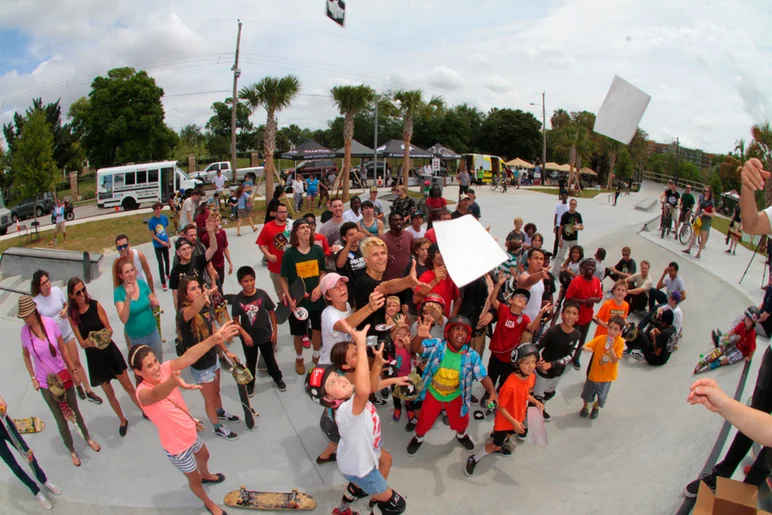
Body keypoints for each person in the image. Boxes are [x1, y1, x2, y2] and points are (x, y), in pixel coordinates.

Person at [129, 321, 239, 515]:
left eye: (155, 361)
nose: (156, 367)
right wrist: (172, 382)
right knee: (194, 480)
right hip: (176, 446)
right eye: (149, 366)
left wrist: (213, 339)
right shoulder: (142, 392)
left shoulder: (164, 369)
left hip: (190, 430)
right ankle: (209, 503)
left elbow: (188, 356)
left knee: (204, 455)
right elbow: (156, 395)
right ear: (139, 372)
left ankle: (206, 474)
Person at [305, 321, 408, 515]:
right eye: (332, 383)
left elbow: (368, 387)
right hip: (364, 468)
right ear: (328, 398)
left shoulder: (347, 396)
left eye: (336, 375)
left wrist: (391, 377)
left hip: (358, 456)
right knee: (395, 506)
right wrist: (361, 346)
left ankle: (343, 507)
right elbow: (364, 390)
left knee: (384, 462)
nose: (340, 379)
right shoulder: (348, 410)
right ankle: (374, 502)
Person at [18, 295, 101, 467]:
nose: (26, 319)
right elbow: (26, 355)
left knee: (75, 411)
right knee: (60, 419)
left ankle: (87, 437)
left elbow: (63, 348)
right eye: (23, 316)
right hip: (45, 383)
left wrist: (74, 370)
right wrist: (33, 377)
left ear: (34, 311)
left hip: (62, 376)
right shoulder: (25, 333)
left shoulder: (49, 323)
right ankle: (71, 449)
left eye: (28, 315)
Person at [406, 316, 498, 457]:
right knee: (424, 420)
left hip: (455, 395)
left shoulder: (471, 355)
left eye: (464, 331)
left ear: (468, 337)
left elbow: (483, 376)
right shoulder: (437, 345)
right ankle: (418, 438)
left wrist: (492, 392)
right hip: (433, 392)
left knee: (461, 420)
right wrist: (419, 337)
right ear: (447, 333)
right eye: (456, 329)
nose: (460, 333)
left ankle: (461, 436)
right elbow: (417, 348)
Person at [68, 277, 141, 436]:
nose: (82, 294)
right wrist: (90, 342)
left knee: (128, 386)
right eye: (78, 292)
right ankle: (122, 419)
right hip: (95, 358)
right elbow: (81, 343)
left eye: (83, 290)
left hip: (109, 351)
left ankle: (144, 409)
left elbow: (109, 329)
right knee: (109, 393)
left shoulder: (95, 306)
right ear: (72, 295)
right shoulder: (72, 316)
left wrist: (101, 337)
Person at [177, 276, 240, 441]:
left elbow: (214, 332)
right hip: (201, 365)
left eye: (198, 287)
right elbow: (193, 310)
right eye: (193, 289)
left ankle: (220, 412)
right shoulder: (184, 314)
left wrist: (226, 351)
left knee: (216, 392)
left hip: (213, 359)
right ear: (184, 295)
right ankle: (217, 427)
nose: (198, 290)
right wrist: (204, 296)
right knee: (209, 399)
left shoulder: (205, 308)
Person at [464, 344, 542, 475]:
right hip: (506, 421)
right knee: (495, 445)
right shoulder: (509, 385)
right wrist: (514, 422)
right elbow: (501, 407)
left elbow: (525, 394)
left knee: (510, 434)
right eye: (527, 363)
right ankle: (474, 458)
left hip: (518, 416)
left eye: (534, 362)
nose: (531, 366)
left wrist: (535, 401)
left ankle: (498, 438)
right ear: (518, 364)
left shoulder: (532, 377)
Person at [32, 270, 101, 404]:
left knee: (76, 361)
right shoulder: (37, 302)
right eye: (43, 283)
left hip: (66, 331)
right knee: (68, 364)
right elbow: (39, 322)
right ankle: (77, 385)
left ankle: (88, 389)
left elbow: (66, 303)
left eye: (47, 281)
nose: (47, 285)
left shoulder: (57, 291)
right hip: (53, 338)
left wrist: (65, 310)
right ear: (38, 287)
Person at [486, 278, 551, 394]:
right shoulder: (503, 309)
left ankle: (499, 396)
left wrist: (540, 314)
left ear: (525, 306)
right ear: (510, 300)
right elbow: (493, 299)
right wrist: (499, 284)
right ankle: (488, 394)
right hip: (496, 354)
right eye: (519, 295)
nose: (522, 298)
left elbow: (532, 328)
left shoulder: (524, 319)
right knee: (491, 376)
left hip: (510, 358)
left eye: (525, 299)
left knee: (504, 381)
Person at [280, 219, 327, 375]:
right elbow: (283, 279)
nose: (307, 230)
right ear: (296, 232)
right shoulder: (289, 254)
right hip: (298, 302)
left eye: (308, 227)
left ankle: (316, 354)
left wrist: (320, 287)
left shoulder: (318, 250)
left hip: (316, 299)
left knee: (317, 330)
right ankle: (299, 358)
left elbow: (322, 272)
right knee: (299, 333)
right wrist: (289, 299)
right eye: (302, 227)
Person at [0, 394, 62, 509]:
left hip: (3, 422)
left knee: (27, 453)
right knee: (14, 466)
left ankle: (44, 480)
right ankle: (36, 491)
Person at [230, 266, 284, 396]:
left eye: (251, 280)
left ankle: (278, 378)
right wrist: (245, 335)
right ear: (240, 283)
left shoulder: (262, 294)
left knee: (270, 360)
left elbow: (271, 311)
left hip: (265, 335)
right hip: (249, 340)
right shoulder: (237, 300)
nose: (249, 283)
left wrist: (274, 331)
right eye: (245, 281)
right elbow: (236, 321)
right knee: (251, 362)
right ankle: (250, 384)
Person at [534, 301, 581, 421]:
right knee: (537, 397)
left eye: (574, 313)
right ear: (562, 314)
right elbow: (536, 347)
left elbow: (570, 356)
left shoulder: (576, 335)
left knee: (549, 393)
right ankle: (527, 423)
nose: (570, 316)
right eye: (568, 312)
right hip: (542, 372)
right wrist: (539, 360)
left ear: (578, 317)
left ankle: (541, 407)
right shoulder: (552, 331)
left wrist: (552, 364)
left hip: (558, 373)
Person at [114, 255, 163, 365]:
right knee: (145, 367)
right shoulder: (118, 292)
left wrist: (154, 304)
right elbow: (124, 319)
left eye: (132, 270)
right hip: (137, 338)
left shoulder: (142, 283)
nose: (131, 274)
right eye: (127, 272)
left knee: (158, 362)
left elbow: (152, 303)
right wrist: (127, 298)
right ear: (121, 275)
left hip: (152, 331)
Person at [579, 315, 625, 419]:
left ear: (620, 332)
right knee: (586, 394)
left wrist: (612, 347)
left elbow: (614, 360)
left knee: (601, 397)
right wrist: (586, 348)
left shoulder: (620, 342)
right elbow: (585, 345)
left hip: (606, 378)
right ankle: (585, 407)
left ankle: (595, 407)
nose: (612, 331)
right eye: (610, 328)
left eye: (616, 329)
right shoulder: (600, 339)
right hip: (594, 375)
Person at [565, 258, 603, 370]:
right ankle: (566, 356)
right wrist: (584, 301)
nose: (590, 268)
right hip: (574, 318)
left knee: (582, 340)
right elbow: (569, 298)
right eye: (588, 265)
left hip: (587, 318)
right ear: (582, 268)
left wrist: (592, 300)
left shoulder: (597, 282)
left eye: (592, 266)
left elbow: (600, 298)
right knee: (570, 339)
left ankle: (576, 358)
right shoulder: (576, 281)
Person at [170, 224, 219, 309]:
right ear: (178, 253)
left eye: (188, 248)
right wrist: (179, 314)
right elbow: (175, 295)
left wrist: (211, 232)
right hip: (188, 307)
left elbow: (213, 248)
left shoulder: (198, 261)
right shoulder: (175, 271)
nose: (187, 251)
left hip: (203, 303)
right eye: (183, 249)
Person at [701, 306, 759, 372]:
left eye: (750, 321)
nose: (747, 321)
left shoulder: (752, 334)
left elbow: (753, 349)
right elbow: (735, 330)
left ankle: (719, 363)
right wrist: (728, 336)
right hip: (738, 344)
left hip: (743, 352)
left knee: (731, 358)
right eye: (746, 318)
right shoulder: (742, 324)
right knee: (725, 348)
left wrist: (749, 357)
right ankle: (715, 356)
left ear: (753, 323)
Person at [413, 243, 460, 318]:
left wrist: (454, 314)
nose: (442, 254)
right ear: (431, 256)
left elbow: (458, 297)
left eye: (443, 252)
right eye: (438, 252)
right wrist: (435, 281)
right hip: (426, 321)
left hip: (443, 322)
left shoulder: (450, 276)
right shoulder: (425, 276)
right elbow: (416, 299)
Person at [200, 213, 233, 296]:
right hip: (212, 266)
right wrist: (212, 270)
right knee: (216, 287)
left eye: (217, 220)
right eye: (214, 221)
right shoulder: (205, 237)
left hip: (221, 263)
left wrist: (230, 262)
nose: (216, 223)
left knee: (221, 284)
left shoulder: (222, 233)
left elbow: (225, 248)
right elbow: (205, 255)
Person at [335, 222, 367, 298]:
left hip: (365, 291)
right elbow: (340, 264)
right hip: (351, 294)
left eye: (356, 234)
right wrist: (350, 242)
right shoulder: (341, 253)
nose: (355, 237)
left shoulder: (364, 250)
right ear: (344, 237)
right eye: (351, 235)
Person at [552, 198, 583, 276]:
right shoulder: (565, 215)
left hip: (574, 239)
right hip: (565, 239)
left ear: (576, 206)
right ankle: (555, 273)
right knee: (560, 256)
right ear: (569, 205)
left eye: (574, 204)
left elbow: (582, 226)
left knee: (573, 256)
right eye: (571, 204)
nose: (573, 205)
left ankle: (571, 271)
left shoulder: (578, 215)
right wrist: (560, 239)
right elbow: (561, 228)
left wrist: (578, 227)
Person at [683, 185, 715, 258]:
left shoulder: (711, 202)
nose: (706, 192)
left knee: (703, 236)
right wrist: (694, 216)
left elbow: (713, 213)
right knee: (694, 233)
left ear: (709, 193)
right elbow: (698, 207)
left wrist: (706, 213)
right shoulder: (702, 198)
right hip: (699, 218)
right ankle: (689, 249)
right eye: (705, 191)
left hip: (706, 219)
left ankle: (699, 252)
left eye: (707, 191)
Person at [382, 212, 414, 281]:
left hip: (407, 279)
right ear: (389, 223)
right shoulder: (383, 239)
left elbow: (415, 253)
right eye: (395, 220)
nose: (398, 222)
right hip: (390, 280)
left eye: (400, 220)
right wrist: (385, 256)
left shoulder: (409, 235)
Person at [148, 202, 172, 291]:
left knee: (167, 259)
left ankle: (168, 273)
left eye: (159, 209)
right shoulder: (151, 221)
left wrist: (168, 240)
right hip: (158, 245)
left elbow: (166, 230)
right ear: (154, 210)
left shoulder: (164, 218)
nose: (158, 211)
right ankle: (163, 283)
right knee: (160, 263)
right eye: (156, 209)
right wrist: (161, 242)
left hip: (165, 242)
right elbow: (153, 235)